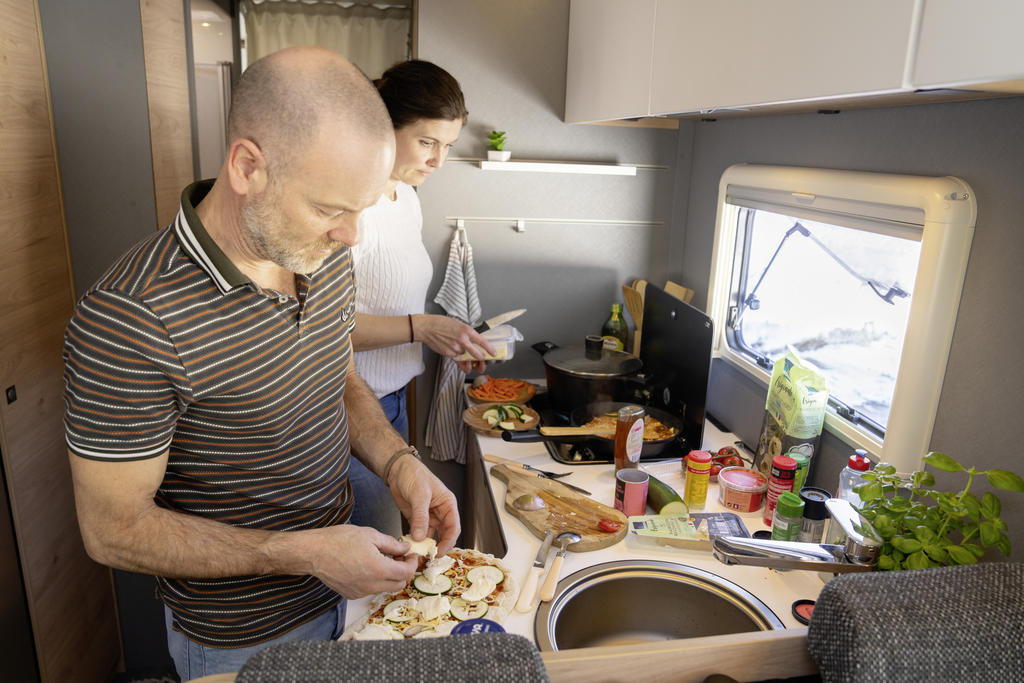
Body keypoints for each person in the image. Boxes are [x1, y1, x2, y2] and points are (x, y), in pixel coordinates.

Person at [62, 46, 459, 679]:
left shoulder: (322, 255)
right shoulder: (131, 317)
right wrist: (304, 553)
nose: (351, 236)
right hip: (242, 639)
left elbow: (336, 376)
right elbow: (113, 530)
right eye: (329, 209)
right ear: (247, 166)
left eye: (361, 209)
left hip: (343, 594)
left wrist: (397, 461)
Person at [346, 60, 494, 535]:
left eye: (447, 145)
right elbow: (321, 327)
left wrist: (449, 339)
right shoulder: (351, 209)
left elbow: (394, 304)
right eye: (427, 142)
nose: (438, 161)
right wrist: (423, 328)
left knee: (398, 538)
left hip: (395, 403)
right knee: (383, 546)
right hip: (347, 411)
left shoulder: (406, 198)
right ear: (384, 127)